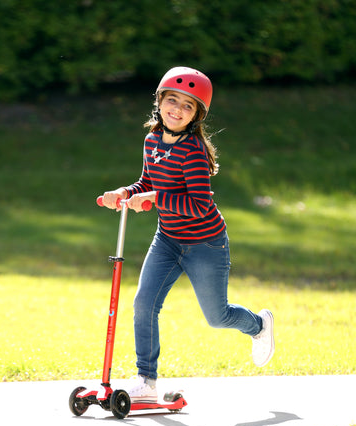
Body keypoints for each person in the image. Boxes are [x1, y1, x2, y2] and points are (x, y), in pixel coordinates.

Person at [100, 66, 274, 402]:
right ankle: (146, 382)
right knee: (143, 305)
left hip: (205, 244)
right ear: (160, 101)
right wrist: (124, 192)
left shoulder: (192, 150)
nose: (177, 109)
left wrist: (152, 199)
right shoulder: (152, 140)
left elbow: (198, 204)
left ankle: (258, 325)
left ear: (196, 115)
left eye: (187, 105)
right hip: (167, 239)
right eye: (172, 100)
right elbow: (148, 183)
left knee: (217, 316)